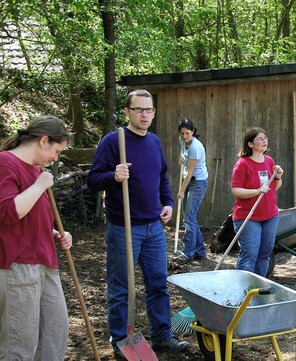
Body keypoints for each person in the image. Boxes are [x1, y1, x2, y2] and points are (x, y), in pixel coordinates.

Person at [87, 89, 190, 358]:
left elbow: (162, 177)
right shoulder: (113, 141)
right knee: (122, 287)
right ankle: (120, 339)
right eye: (139, 109)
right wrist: (114, 175)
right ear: (127, 112)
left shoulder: (154, 142)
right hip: (124, 227)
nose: (144, 114)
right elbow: (93, 180)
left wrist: (167, 203)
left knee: (158, 283)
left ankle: (162, 335)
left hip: (153, 227)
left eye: (149, 110)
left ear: (154, 112)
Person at [0, 115, 73, 360]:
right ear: (44, 141)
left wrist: (53, 233)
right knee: (20, 343)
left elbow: (29, 218)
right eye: (56, 150)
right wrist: (40, 186)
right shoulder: (5, 163)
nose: (55, 158)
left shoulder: (35, 170)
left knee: (55, 332)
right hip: (18, 266)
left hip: (44, 262)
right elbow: (8, 212)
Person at [230, 127, 283, 277]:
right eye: (260, 139)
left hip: (270, 216)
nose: (264, 141)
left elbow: (274, 187)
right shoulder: (242, 164)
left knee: (265, 254)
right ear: (250, 144)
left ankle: (259, 291)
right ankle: (243, 294)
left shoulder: (269, 161)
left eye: (265, 138)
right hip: (247, 217)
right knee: (249, 256)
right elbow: (235, 190)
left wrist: (278, 176)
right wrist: (256, 191)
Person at [173, 118, 208, 264]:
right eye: (182, 133)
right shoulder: (182, 140)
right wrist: (181, 158)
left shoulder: (196, 147)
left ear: (193, 131)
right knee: (190, 218)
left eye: (188, 133)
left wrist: (181, 190)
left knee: (188, 218)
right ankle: (200, 251)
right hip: (189, 179)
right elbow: (182, 159)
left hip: (197, 183)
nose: (185, 136)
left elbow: (190, 172)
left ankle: (187, 253)